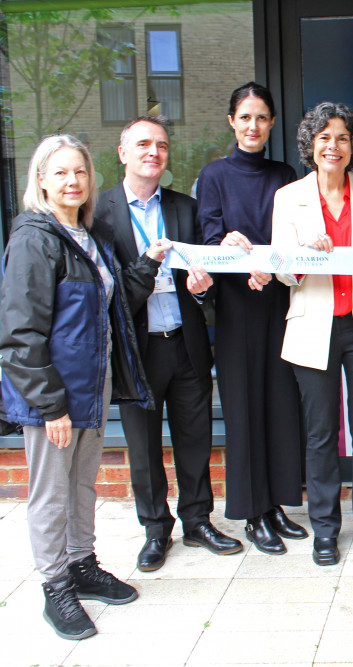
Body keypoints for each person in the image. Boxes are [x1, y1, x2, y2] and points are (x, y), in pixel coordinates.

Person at [0, 135, 163, 639]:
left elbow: (114, 308)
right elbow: (19, 334)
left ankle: (81, 565)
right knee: (50, 494)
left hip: (92, 389)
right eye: (61, 172)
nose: (73, 181)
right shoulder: (34, 238)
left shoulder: (88, 236)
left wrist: (150, 262)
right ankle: (55, 587)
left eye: (80, 173)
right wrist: (50, 406)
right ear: (42, 180)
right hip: (55, 397)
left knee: (83, 484)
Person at [97, 115, 242, 573]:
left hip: (185, 341)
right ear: (122, 153)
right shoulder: (100, 214)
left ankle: (198, 521)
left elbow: (208, 282)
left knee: (195, 439)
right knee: (142, 447)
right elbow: (107, 292)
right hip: (137, 351)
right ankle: (156, 529)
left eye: (160, 145)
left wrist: (203, 287)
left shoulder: (185, 207)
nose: (153, 153)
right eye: (142, 144)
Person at [272, 102, 353, 567]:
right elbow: (283, 272)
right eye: (324, 137)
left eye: (342, 137)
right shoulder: (288, 197)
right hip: (313, 328)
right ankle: (325, 529)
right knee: (321, 435)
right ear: (311, 144)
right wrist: (304, 256)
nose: (333, 145)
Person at [196, 82, 307, 555]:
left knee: (281, 407)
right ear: (231, 121)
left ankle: (279, 504)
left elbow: (293, 233)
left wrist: (274, 264)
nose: (253, 126)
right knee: (243, 410)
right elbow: (210, 235)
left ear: (272, 123)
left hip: (280, 304)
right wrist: (233, 252)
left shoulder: (284, 173)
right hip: (239, 308)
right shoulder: (215, 175)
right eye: (245, 117)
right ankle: (252, 513)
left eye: (261, 117)